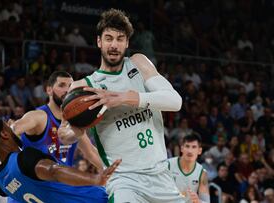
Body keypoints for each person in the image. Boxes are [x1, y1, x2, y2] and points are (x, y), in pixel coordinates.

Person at [61, 8, 184, 202]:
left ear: (127, 43)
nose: (114, 45)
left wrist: (125, 98)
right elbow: (64, 135)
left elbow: (175, 101)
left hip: (161, 175)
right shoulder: (83, 88)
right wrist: (79, 128)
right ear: (99, 41)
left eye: (120, 39)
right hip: (124, 180)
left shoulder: (138, 63)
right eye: (108, 38)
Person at [0, 117, 121, 203]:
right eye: (9, 127)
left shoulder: (3, 181)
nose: (13, 127)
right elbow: (54, 171)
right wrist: (96, 179)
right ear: (5, 134)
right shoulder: (23, 159)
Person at [10, 71, 102, 169]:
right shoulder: (39, 116)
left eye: (70, 86)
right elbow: (13, 129)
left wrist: (116, 172)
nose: (67, 90)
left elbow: (91, 153)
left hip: (64, 181)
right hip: (38, 181)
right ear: (49, 90)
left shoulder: (75, 121)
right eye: (61, 85)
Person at [168, 134, 210, 203]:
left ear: (199, 151)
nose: (190, 151)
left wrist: (198, 201)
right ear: (181, 148)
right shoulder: (168, 165)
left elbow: (206, 201)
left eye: (194, 147)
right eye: (187, 146)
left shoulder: (202, 173)